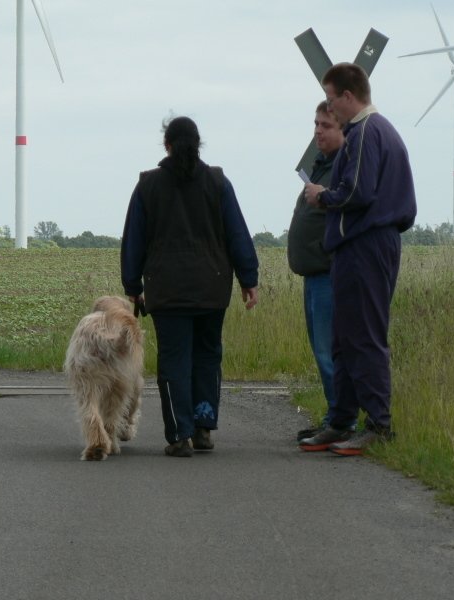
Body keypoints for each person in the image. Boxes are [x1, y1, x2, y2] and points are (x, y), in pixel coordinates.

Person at [121, 116, 259, 458]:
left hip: (166, 292)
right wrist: (248, 279)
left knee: (174, 361)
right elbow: (237, 232)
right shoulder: (218, 182)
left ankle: (179, 435)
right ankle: (203, 427)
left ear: (166, 145)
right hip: (212, 289)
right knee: (208, 356)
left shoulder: (148, 186)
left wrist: (132, 284)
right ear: (198, 145)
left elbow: (134, 240)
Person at [300, 63, 416, 456]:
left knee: (364, 336)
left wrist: (323, 196)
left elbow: (357, 193)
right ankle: (340, 419)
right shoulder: (376, 131)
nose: (331, 108)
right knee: (344, 337)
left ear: (348, 97)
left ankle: (378, 425)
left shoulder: (366, 131)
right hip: (357, 247)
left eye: (332, 100)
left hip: (367, 245)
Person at [287, 101, 354, 441]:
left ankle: (342, 422)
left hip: (329, 274)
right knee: (321, 350)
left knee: (331, 351)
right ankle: (334, 416)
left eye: (326, 125)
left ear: (344, 129)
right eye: (316, 124)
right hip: (312, 275)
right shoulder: (320, 165)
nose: (317, 131)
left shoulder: (344, 169)